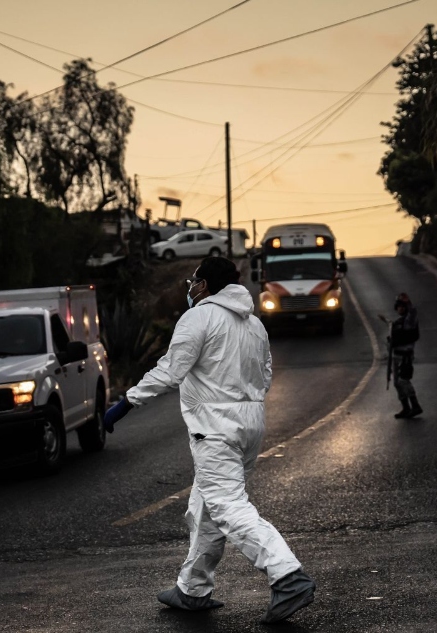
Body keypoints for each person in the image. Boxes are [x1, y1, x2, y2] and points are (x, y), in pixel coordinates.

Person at [102, 256, 316, 624]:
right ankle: (192, 589)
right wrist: (241, 403)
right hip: (249, 424)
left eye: (195, 280)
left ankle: (287, 575)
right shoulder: (254, 325)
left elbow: (171, 370)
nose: (191, 286)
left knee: (228, 505)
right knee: (204, 508)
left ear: (206, 284)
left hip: (215, 429)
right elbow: (265, 375)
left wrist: (127, 402)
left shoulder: (198, 317)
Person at [388, 293, 422, 419]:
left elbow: (413, 313)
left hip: (405, 356)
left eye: (403, 307)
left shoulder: (409, 322)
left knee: (404, 381)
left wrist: (408, 302)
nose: (400, 309)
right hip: (396, 356)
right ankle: (406, 408)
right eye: (399, 307)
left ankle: (415, 405)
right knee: (397, 383)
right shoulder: (397, 323)